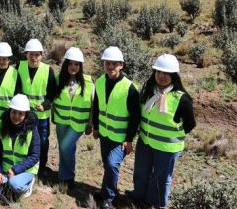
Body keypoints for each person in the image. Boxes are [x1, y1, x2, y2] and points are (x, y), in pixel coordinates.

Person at [130, 54, 196, 209]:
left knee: (161, 178)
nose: (161, 76)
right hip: (145, 142)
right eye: (158, 72)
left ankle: (157, 204)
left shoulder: (182, 99)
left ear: (174, 75)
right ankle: (138, 196)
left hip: (167, 148)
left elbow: (190, 124)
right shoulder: (147, 90)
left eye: (166, 73)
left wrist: (172, 135)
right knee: (141, 171)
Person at [92, 46, 141, 209]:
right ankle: (107, 190)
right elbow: (97, 106)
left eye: (114, 64)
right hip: (104, 134)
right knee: (107, 164)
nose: (110, 67)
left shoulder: (130, 88)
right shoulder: (99, 82)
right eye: (107, 63)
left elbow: (135, 117)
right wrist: (96, 127)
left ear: (121, 65)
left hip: (120, 138)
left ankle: (108, 198)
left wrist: (129, 140)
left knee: (112, 164)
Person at [52, 47, 93, 193]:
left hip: (78, 123)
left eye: (77, 64)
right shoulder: (58, 80)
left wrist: (90, 123)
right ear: (66, 65)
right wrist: (53, 116)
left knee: (65, 147)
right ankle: (64, 178)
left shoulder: (88, 82)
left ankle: (68, 177)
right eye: (70, 64)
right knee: (67, 149)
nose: (73, 67)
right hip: (62, 121)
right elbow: (53, 100)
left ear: (81, 66)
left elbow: (92, 105)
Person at [0, 94, 39, 203]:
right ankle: (12, 188)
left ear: (26, 115)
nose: (16, 116)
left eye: (20, 113)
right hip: (7, 170)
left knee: (15, 184)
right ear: (9, 111)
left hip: (25, 169)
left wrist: (16, 169)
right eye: (14, 112)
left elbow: (35, 156)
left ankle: (28, 184)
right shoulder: (1, 125)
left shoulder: (32, 129)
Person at [17, 38, 56, 174]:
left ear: (41, 55)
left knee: (42, 142)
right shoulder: (20, 67)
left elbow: (52, 93)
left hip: (41, 115)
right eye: (31, 54)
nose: (34, 57)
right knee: (24, 139)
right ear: (26, 54)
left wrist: (45, 105)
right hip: (24, 114)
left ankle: (41, 167)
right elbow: (16, 88)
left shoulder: (48, 70)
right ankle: (24, 164)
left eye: (37, 54)